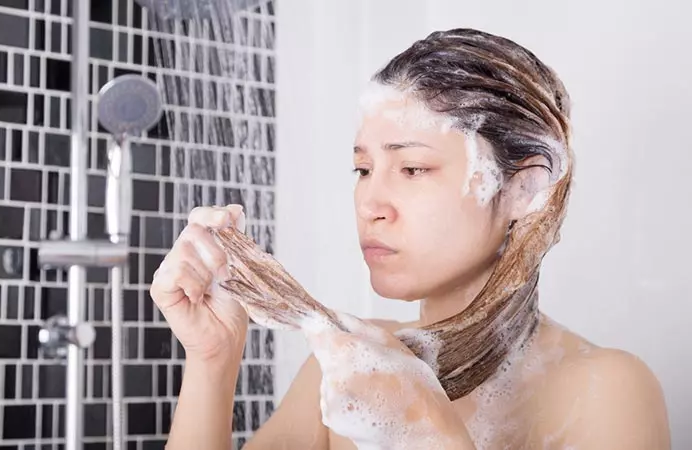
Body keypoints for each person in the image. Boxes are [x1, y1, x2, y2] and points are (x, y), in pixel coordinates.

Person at [150, 28, 671, 449]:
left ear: (523, 189)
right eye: (362, 168)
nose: (370, 204)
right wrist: (213, 362)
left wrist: (425, 429)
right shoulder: (343, 371)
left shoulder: (603, 390)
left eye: (414, 168)